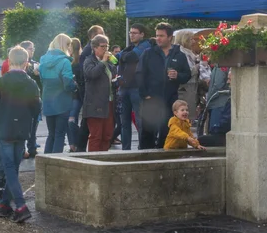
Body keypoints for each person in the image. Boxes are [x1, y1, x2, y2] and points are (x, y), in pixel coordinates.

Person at [0, 45, 42, 223]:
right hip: (23, 129)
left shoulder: (2, 82)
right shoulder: (31, 83)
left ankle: (20, 205)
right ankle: (5, 204)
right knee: (14, 167)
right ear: (26, 63)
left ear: (10, 61)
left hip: (4, 128)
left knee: (9, 168)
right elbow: (36, 108)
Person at [138, 22, 192, 149]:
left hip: (170, 100)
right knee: (148, 131)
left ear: (170, 37)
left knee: (166, 130)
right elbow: (139, 74)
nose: (158, 38)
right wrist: (144, 94)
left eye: (161, 36)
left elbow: (187, 75)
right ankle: (145, 158)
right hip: (151, 99)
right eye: (157, 35)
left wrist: (177, 75)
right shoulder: (148, 53)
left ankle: (163, 157)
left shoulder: (179, 55)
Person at [38, 33, 76, 154]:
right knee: (60, 134)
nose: (70, 48)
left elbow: (42, 80)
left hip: (48, 99)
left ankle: (45, 162)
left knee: (51, 134)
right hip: (62, 102)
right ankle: (55, 164)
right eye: (69, 45)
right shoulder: (65, 62)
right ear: (65, 46)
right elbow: (67, 84)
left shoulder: (43, 60)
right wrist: (75, 86)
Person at [116, 23, 151, 151]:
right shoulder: (129, 48)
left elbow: (130, 56)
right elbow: (118, 58)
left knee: (139, 120)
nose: (131, 35)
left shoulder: (146, 46)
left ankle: (142, 148)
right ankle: (125, 150)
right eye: (130, 33)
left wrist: (122, 56)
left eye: (134, 33)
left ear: (142, 34)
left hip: (137, 88)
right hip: (124, 88)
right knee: (124, 122)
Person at [82, 35, 116, 151]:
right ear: (94, 48)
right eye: (102, 46)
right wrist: (103, 62)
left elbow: (111, 79)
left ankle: (104, 160)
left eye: (107, 46)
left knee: (107, 135)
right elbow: (91, 74)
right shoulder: (89, 60)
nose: (106, 49)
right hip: (95, 104)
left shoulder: (109, 63)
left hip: (109, 102)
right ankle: (93, 163)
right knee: (96, 136)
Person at [172, 29, 201, 113]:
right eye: (191, 39)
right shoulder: (182, 53)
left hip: (191, 86)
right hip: (186, 87)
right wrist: (198, 66)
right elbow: (188, 70)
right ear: (185, 40)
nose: (194, 41)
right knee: (186, 111)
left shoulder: (188, 52)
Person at [66, 36, 84, 151]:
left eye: (69, 46)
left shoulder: (74, 63)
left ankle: (75, 144)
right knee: (72, 119)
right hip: (76, 96)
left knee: (71, 119)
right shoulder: (76, 61)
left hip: (75, 96)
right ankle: (74, 144)